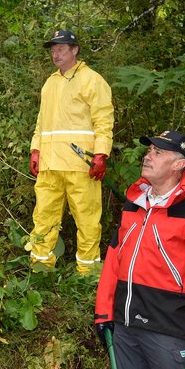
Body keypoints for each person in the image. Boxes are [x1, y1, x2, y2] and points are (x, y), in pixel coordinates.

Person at [94, 130, 185, 369]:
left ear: (179, 164)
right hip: (124, 329)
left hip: (171, 334)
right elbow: (113, 260)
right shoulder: (134, 206)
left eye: (158, 152)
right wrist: (104, 312)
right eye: (148, 151)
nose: (148, 156)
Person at [28, 29, 115, 274]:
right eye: (53, 49)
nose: (55, 54)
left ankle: (87, 274)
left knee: (87, 219)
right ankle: (40, 269)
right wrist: (36, 150)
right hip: (49, 165)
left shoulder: (92, 80)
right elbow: (41, 121)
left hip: (80, 164)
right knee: (44, 217)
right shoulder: (50, 82)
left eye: (61, 49)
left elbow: (104, 120)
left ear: (75, 50)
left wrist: (101, 154)